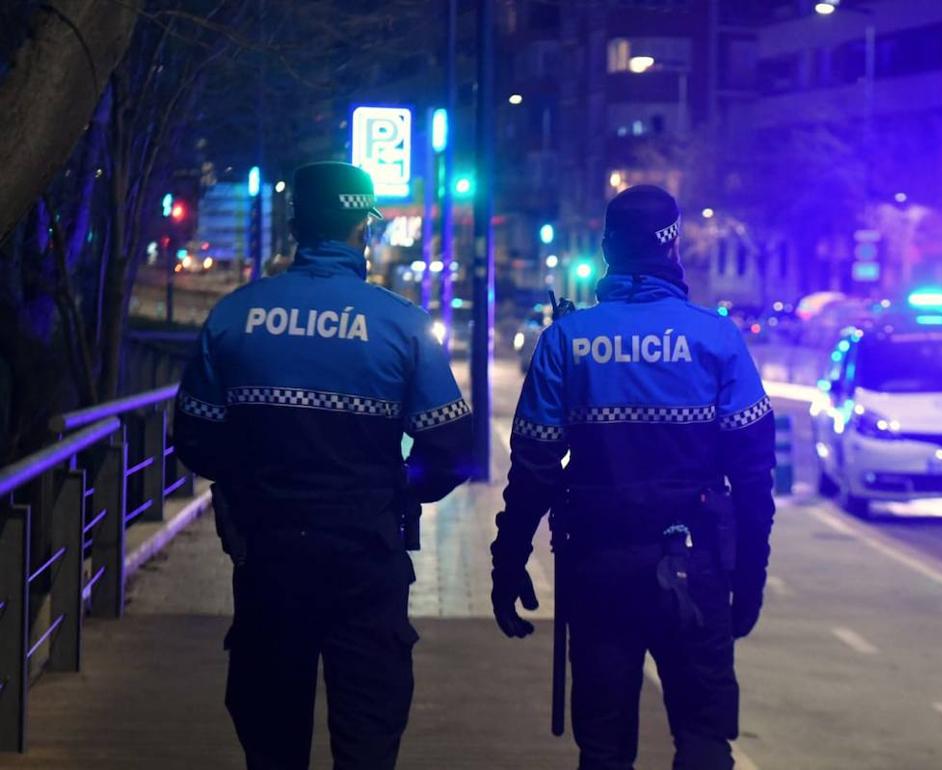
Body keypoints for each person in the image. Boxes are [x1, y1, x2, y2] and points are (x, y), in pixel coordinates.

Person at [175, 161, 473, 770]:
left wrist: (254, 486)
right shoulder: (402, 325)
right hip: (366, 562)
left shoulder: (236, 316)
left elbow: (196, 440)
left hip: (268, 560)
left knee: (271, 741)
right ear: (361, 229)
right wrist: (398, 494)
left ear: (295, 227)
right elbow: (451, 450)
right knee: (367, 737)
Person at [490, 185, 777, 769]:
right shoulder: (716, 339)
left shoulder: (566, 342)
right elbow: (753, 477)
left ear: (605, 250)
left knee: (602, 747)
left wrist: (508, 562)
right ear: (674, 251)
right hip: (695, 569)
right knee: (702, 738)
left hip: (597, 570)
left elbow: (534, 470)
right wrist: (749, 577)